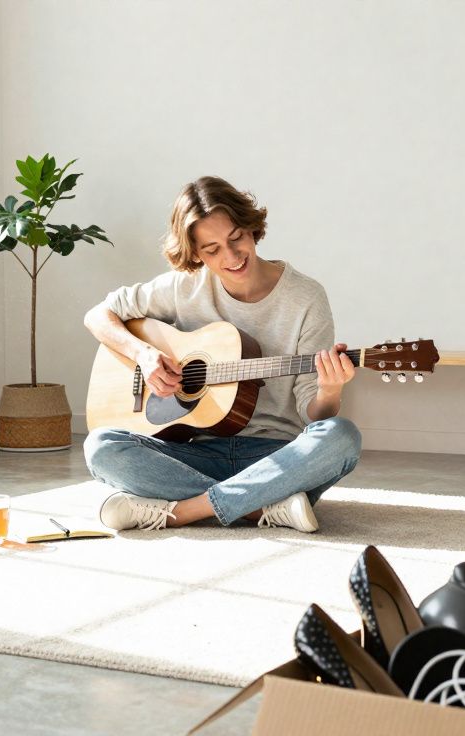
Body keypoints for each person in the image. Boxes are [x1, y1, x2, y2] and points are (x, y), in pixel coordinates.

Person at [82, 176, 362, 533]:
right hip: (195, 454)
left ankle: (181, 511)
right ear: (195, 253)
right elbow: (97, 316)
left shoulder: (305, 298)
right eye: (212, 250)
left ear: (251, 228)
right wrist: (144, 354)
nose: (231, 257)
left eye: (236, 238)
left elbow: (315, 414)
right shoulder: (183, 286)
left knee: (341, 436)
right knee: (102, 446)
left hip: (276, 458)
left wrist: (329, 389)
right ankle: (257, 508)